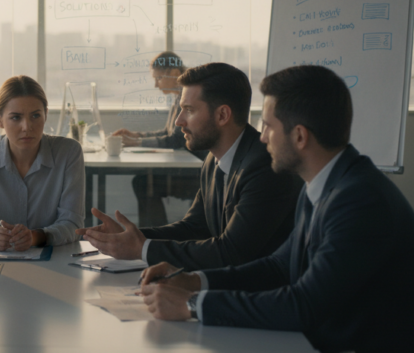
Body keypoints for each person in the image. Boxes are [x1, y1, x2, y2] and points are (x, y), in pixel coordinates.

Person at [139, 65, 414, 353]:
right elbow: (278, 266)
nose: (260, 138)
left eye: (269, 127)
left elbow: (304, 305)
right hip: (337, 350)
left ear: (300, 136)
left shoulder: (360, 200)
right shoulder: (325, 184)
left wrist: (194, 304)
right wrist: (195, 281)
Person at [78, 62, 302, 270]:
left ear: (223, 115)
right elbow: (194, 227)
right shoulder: (213, 160)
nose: (179, 121)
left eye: (189, 110)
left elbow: (232, 252)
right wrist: (129, 235)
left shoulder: (265, 167)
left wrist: (141, 248)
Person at [0, 75, 85, 250]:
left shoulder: (68, 152)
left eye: (35, 116)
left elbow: (72, 223)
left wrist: (36, 237)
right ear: (0, 119)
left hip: (51, 259)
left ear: (45, 115)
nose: (27, 126)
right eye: (16, 117)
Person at [111, 51, 205, 226]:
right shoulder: (181, 95)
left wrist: (137, 143)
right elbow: (169, 132)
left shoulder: (187, 97)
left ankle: (153, 237)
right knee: (142, 182)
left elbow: (176, 141)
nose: (155, 85)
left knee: (144, 184)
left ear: (175, 73)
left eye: (158, 78)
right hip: (192, 168)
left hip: (197, 173)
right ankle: (153, 236)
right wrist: (136, 135)